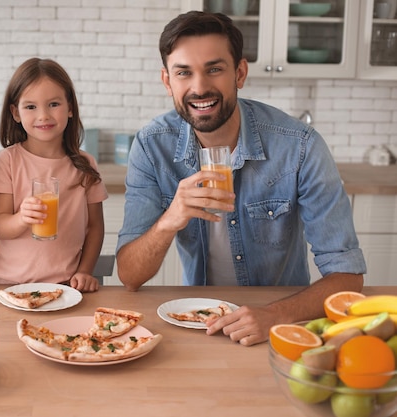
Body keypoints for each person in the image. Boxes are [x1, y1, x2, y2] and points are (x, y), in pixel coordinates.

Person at [116, 12, 366, 345]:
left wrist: (274, 315)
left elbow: (347, 276)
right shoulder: (151, 145)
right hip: (199, 325)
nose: (199, 87)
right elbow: (130, 277)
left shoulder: (299, 146)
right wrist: (169, 220)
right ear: (167, 82)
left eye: (214, 69)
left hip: (280, 323)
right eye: (183, 73)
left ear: (240, 73)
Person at [0, 58, 107, 293]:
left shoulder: (85, 164)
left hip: (66, 287)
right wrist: (22, 217)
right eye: (31, 107)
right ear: (16, 113)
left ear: (70, 107)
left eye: (53, 104)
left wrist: (85, 270)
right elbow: (0, 226)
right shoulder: (8, 161)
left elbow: (95, 227)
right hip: (12, 286)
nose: (43, 115)